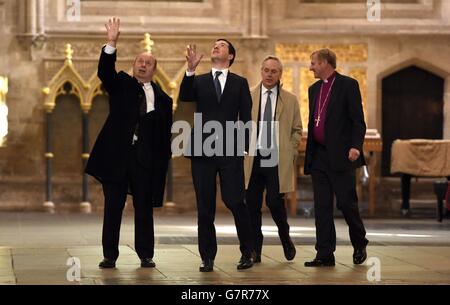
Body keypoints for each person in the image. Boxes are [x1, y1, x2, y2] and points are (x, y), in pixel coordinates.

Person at [85, 18, 173, 269]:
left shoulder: (164, 99)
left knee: (144, 209)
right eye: (139, 62)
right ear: (133, 65)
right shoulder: (121, 84)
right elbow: (104, 72)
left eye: (148, 63)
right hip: (117, 158)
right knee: (113, 207)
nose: (143, 65)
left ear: (154, 69)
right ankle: (109, 255)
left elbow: (164, 135)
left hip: (144, 161)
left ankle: (146, 254)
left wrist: (161, 164)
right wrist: (111, 42)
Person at [179, 39, 254, 272]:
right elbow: (185, 97)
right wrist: (190, 69)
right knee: (205, 206)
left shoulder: (240, 83)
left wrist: (242, 147)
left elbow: (247, 116)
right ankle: (207, 257)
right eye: (214, 45)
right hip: (202, 149)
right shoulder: (199, 81)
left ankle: (247, 252)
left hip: (230, 150)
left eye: (222, 45)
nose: (216, 47)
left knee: (236, 201)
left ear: (230, 56)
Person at [303, 49, 368, 267]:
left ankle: (359, 243)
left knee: (346, 204)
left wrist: (355, 146)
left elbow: (358, 121)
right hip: (319, 156)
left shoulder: (348, 85)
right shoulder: (314, 89)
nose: (310, 67)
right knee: (321, 207)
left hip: (341, 156)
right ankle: (324, 253)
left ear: (324, 63)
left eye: (313, 63)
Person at [244, 56, 302, 263]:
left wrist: (291, 149)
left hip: (277, 157)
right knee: (251, 204)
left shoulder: (290, 99)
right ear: (261, 71)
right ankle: (254, 249)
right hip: (253, 156)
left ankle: (285, 237)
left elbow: (297, 130)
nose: (269, 74)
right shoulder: (249, 95)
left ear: (280, 74)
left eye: (274, 71)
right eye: (266, 70)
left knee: (274, 202)